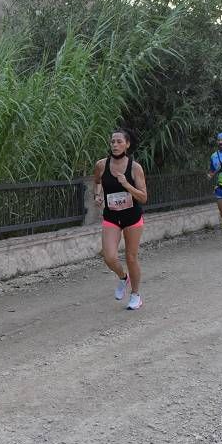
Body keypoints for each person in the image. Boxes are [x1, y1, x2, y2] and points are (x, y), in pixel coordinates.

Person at [93, 129, 148, 310]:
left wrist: (126, 185)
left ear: (127, 144)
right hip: (111, 216)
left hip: (132, 217)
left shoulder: (134, 167)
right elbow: (97, 181)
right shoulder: (101, 165)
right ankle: (124, 278)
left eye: (119, 142)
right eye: (112, 142)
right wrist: (97, 195)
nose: (115, 145)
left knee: (131, 258)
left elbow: (143, 197)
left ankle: (135, 295)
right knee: (109, 257)